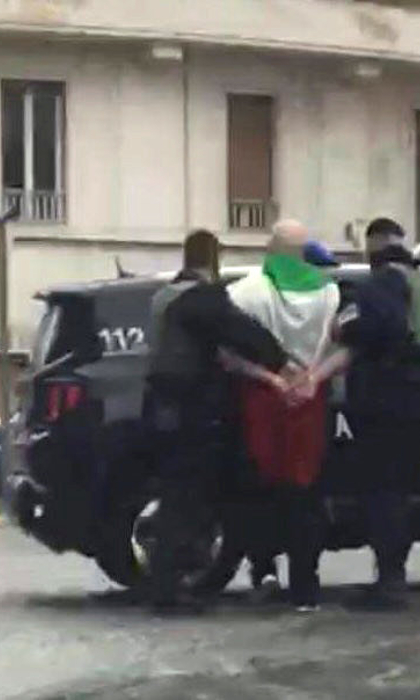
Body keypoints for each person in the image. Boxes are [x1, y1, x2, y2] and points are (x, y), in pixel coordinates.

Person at [302, 217, 420, 610]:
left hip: (382, 404)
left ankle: (389, 582)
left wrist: (341, 326)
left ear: (372, 249)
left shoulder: (375, 287)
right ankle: (394, 575)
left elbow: (357, 330)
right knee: (401, 493)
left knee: (382, 494)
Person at [145, 229, 289, 609]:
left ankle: (173, 580)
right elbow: (247, 335)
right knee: (186, 500)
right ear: (213, 260)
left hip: (161, 410)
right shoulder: (201, 299)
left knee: (176, 496)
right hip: (191, 411)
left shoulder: (164, 296)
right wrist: (278, 360)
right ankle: (170, 588)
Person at [227, 219, 341, 611]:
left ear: (270, 249)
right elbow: (341, 347)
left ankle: (264, 570)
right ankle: (305, 586)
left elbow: (227, 355)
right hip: (310, 399)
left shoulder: (246, 292)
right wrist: (311, 379)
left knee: (260, 487)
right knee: (305, 493)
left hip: (261, 398)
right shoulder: (330, 293)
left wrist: (271, 378)